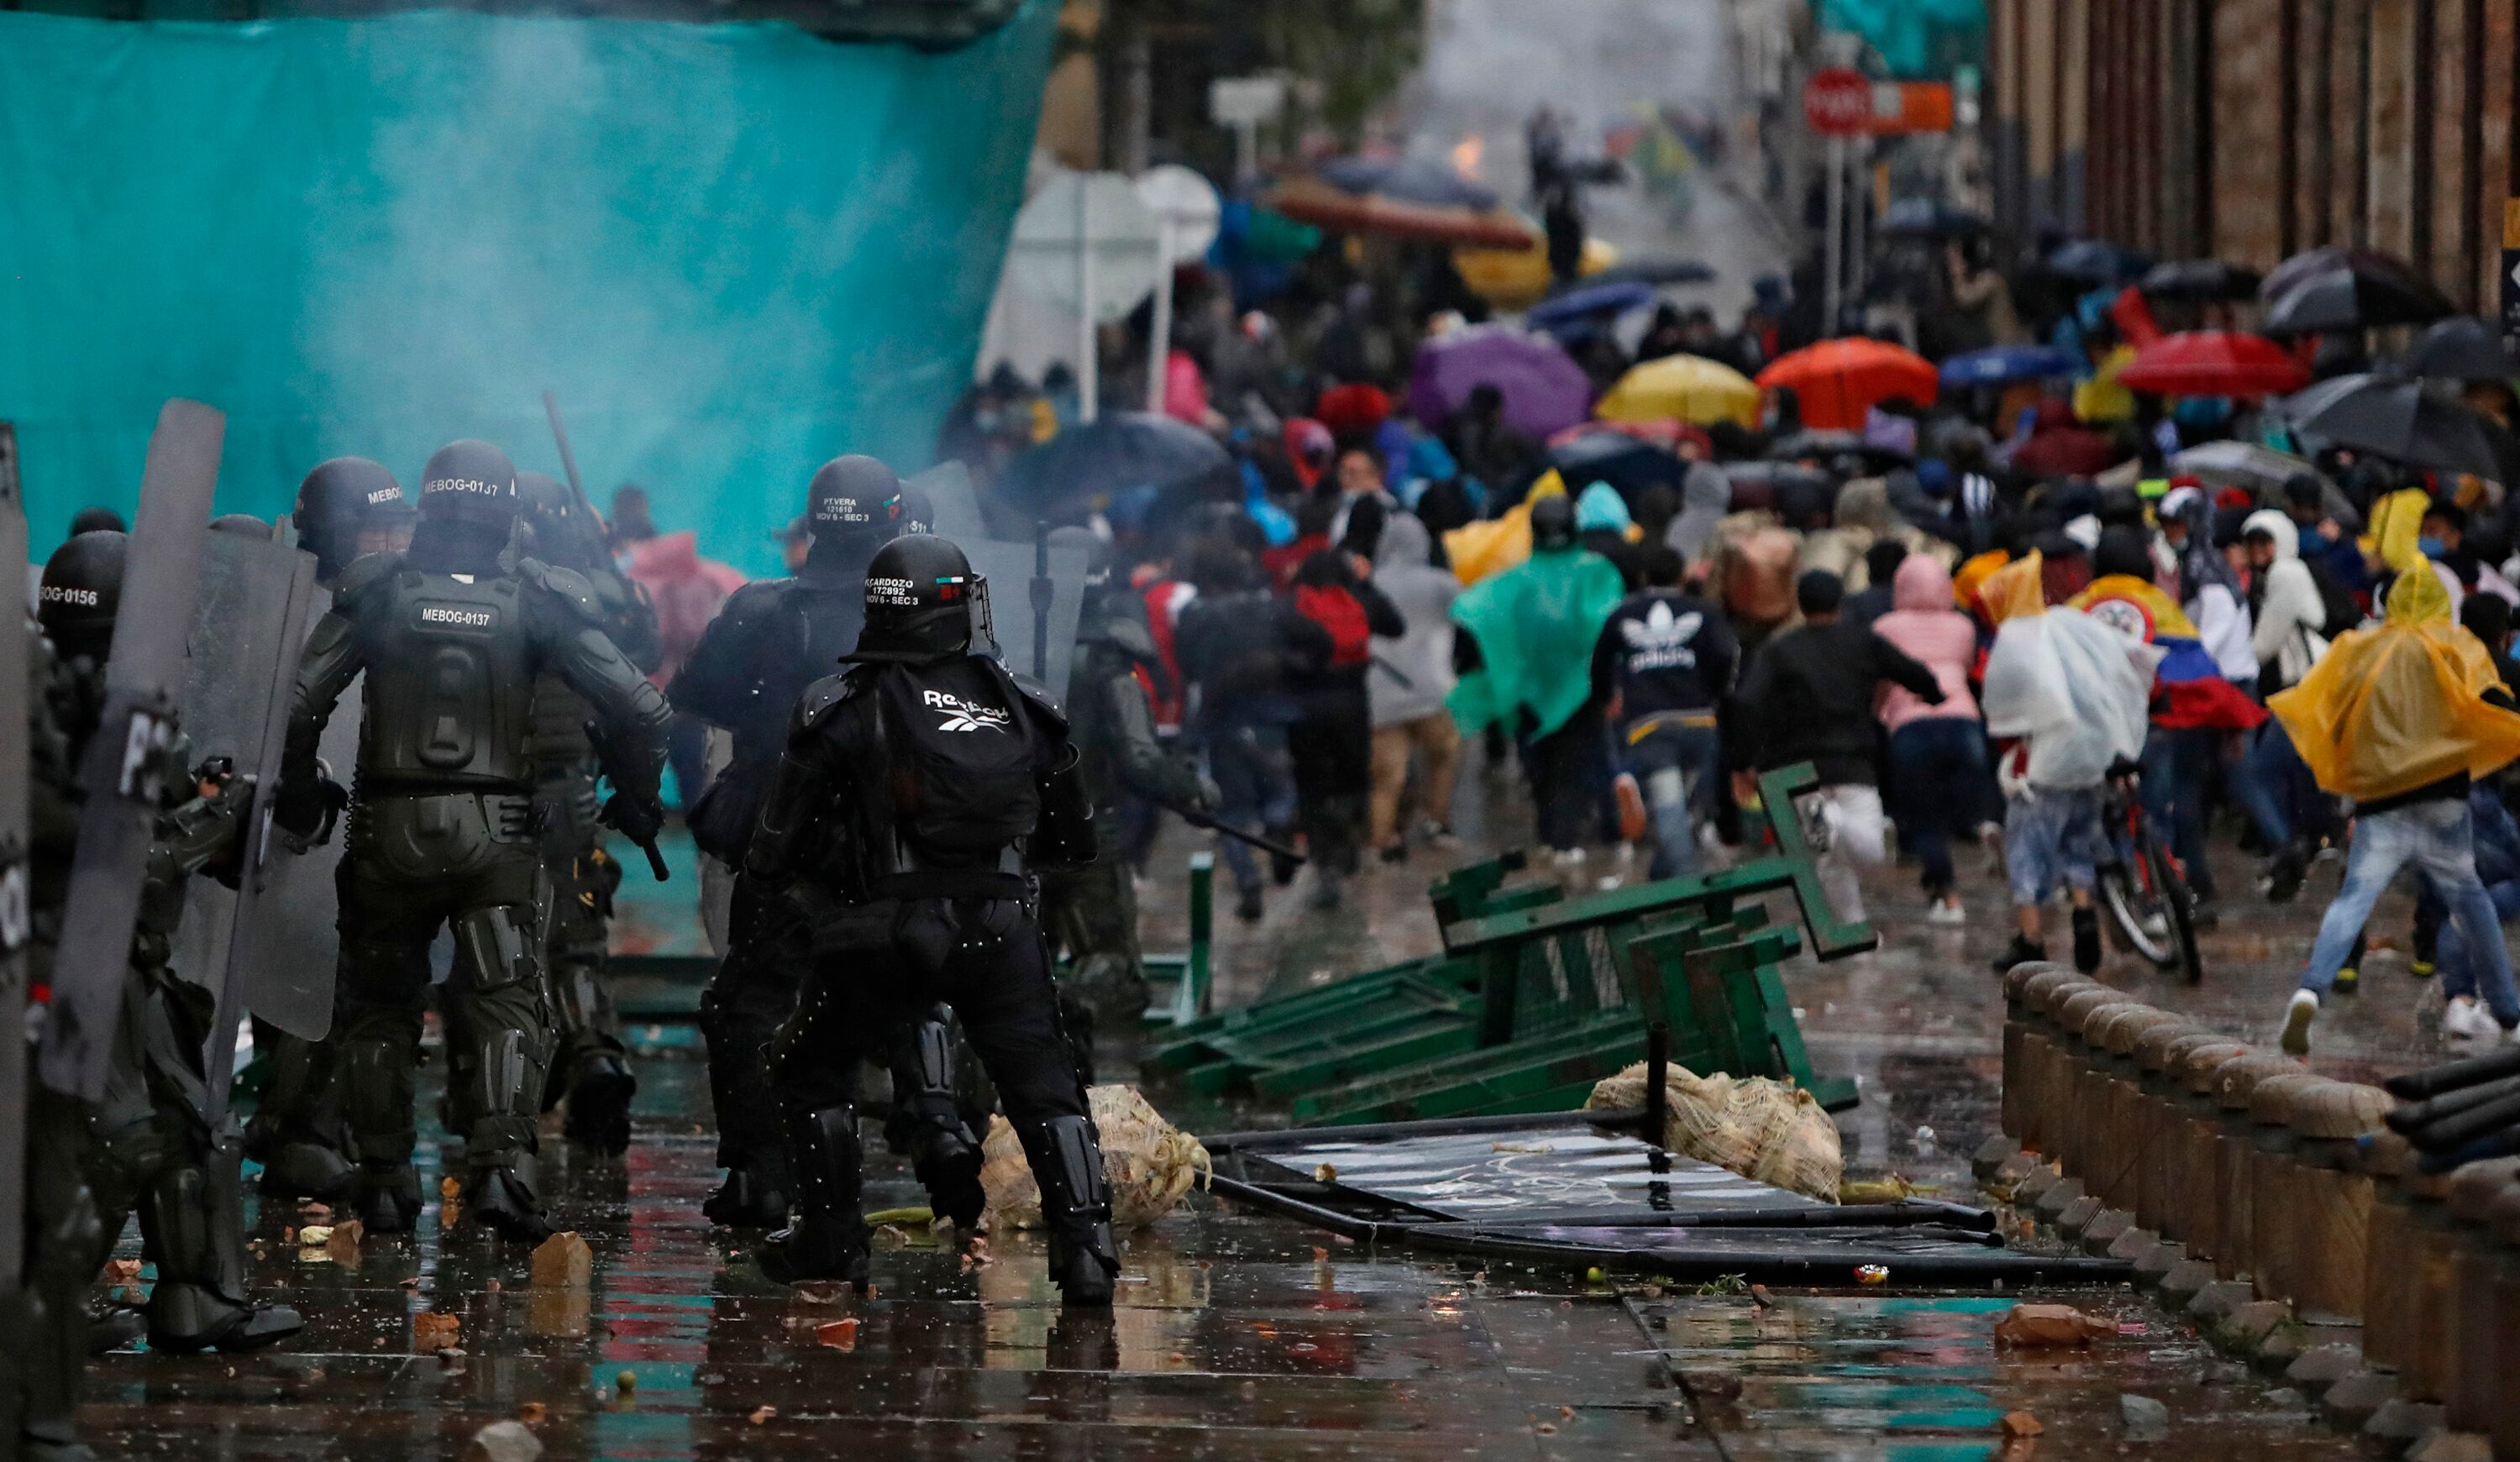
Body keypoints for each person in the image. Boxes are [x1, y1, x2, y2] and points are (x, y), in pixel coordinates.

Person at [277, 440, 672, 1240]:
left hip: (387, 828)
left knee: (379, 1007)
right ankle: (501, 1172)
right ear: (505, 512)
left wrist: (297, 792)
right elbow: (644, 708)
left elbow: (296, 702)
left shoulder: (379, 593)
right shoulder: (536, 598)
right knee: (507, 1002)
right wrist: (634, 798)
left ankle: (386, 1179)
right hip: (500, 833)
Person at [742, 534, 1119, 1303]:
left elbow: (775, 847)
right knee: (1046, 1087)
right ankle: (1087, 1254)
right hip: (1004, 931)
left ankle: (832, 1241)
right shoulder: (1026, 702)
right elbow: (1076, 844)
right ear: (961, 605)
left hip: (883, 930)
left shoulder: (838, 706)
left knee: (808, 1066)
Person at [35, 532, 306, 1355]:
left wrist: (242, 813)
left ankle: (197, 1297)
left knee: (190, 1121)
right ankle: (40, 1303)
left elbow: (184, 835)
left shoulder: (96, 712)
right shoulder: (65, 722)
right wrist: (216, 815)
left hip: (126, 970)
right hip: (80, 972)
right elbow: (123, 857)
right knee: (124, 1136)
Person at [669, 456, 918, 1226]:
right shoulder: (924, 613)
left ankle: (761, 1175)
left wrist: (708, 801)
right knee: (907, 1004)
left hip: (781, 848)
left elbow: (691, 703)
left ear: (813, 524)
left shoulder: (760, 610)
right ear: (893, 521)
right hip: (891, 853)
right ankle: (938, 1154)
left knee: (748, 1009)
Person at [2270, 488, 2520, 1052]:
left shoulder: (2362, 650)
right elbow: (2494, 703)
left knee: (2353, 900)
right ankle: (2507, 1013)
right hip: (2445, 801)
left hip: (2380, 803)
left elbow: (2327, 708)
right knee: (2472, 899)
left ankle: (2310, 991)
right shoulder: (2452, 648)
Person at [246, 457, 415, 1202]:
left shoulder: (377, 604)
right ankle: (297, 1134)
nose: (391, 541)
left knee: (353, 983)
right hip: (297, 833)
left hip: (360, 830)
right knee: (304, 978)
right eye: (377, 527)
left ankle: (318, 1125)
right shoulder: (285, 610)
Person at [516, 471, 665, 1152]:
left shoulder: (498, 589)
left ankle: (501, 1097)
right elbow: (646, 657)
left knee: (493, 949)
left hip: (493, 790)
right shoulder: (591, 596)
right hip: (572, 788)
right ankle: (595, 1055)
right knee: (577, 937)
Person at [1042, 553, 1217, 1019]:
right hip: (1089, 833)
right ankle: (1087, 1077)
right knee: (1112, 973)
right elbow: (1139, 759)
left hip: (1018, 838)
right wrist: (1190, 788)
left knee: (1021, 975)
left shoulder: (1009, 650)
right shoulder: (1107, 664)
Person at [1728, 570, 1945, 922]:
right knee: (1872, 853)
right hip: (1853, 761)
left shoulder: (1780, 649)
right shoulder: (1862, 642)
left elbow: (1747, 702)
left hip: (1798, 769)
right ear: (1841, 601)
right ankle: (1854, 928)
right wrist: (1933, 694)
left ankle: (1852, 919)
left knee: (1826, 856)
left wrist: (1743, 762)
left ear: (1800, 604)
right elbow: (1913, 671)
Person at [1977, 553, 2155, 973]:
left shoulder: (2019, 642)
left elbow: (2009, 714)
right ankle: (2083, 914)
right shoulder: (2069, 625)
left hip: (2044, 766)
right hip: (2092, 758)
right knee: (2079, 841)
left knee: (2027, 851)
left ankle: (2031, 939)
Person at [1451, 495, 1628, 864]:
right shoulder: (1596, 573)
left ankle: (1553, 835)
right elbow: (1610, 631)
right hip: (1582, 692)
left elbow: (1477, 617)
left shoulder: (1513, 582)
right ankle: (1570, 838)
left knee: (1540, 765)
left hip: (1527, 694)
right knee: (1577, 763)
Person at [1174, 543, 1302, 922]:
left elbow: (1190, 668)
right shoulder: (1272, 608)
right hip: (1272, 716)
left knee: (1231, 812)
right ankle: (1279, 828)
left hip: (1223, 722)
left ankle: (1248, 881)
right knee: (1279, 790)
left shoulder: (1196, 617)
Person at [1593, 547, 1735, 878]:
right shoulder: (1704, 612)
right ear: (1682, 577)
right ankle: (1678, 883)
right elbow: (1727, 655)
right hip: (1699, 722)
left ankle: (1683, 891)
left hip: (1649, 727)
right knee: (1694, 813)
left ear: (1643, 578)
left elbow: (1600, 664)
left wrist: (1607, 697)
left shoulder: (1623, 614)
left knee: (1670, 816)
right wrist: (1713, 692)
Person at [1284, 540, 1404, 906]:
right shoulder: (1358, 601)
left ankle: (1323, 860)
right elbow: (1396, 626)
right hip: (1352, 705)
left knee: (1311, 786)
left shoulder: (1292, 607)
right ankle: (1347, 839)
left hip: (1304, 710)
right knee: (1353, 780)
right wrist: (1365, 584)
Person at [1872, 553, 1988, 924]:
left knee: (1921, 818)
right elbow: (1968, 668)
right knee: (1954, 809)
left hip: (1910, 725)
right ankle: (1984, 827)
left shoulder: (1885, 626)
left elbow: (1881, 680)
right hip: (1963, 722)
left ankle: (1948, 894)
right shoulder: (1962, 626)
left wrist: (1879, 715)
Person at [1366, 511, 1462, 861]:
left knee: (1386, 779)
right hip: (1431, 694)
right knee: (1444, 755)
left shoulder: (1371, 583)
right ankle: (1437, 821)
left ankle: (1380, 842)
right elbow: (1467, 619)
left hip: (1381, 696)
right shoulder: (1441, 584)